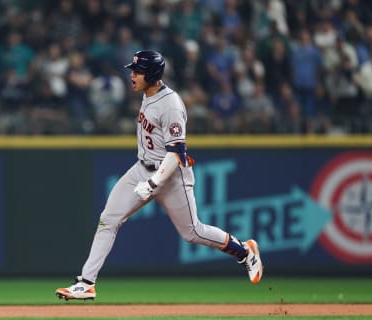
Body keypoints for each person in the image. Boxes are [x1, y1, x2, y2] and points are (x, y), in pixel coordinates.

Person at [55, 50, 264, 301]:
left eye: (137, 71)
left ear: (152, 74)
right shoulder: (148, 94)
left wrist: (154, 183)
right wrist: (147, 178)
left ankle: (244, 251)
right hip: (142, 168)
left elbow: (176, 153)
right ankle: (86, 283)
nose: (132, 75)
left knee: (192, 232)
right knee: (108, 219)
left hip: (172, 176)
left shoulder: (171, 105)